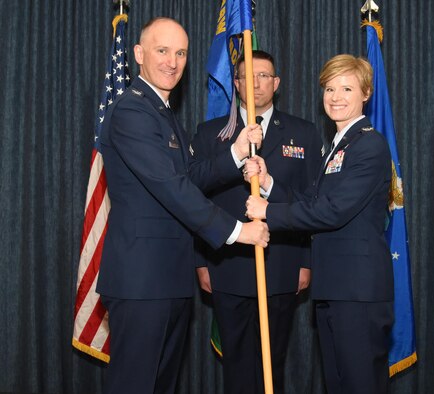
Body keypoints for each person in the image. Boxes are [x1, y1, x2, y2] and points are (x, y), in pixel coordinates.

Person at [96, 17, 269, 394]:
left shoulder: (163, 112)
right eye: (162, 51)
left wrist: (236, 153)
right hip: (141, 281)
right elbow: (171, 187)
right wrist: (238, 231)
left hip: (168, 279)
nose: (172, 62)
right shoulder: (131, 111)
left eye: (180, 53)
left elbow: (189, 174)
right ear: (139, 54)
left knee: (161, 385)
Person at [245, 54, 394, 394]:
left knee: (360, 385)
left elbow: (332, 211)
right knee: (339, 384)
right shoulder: (339, 146)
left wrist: (268, 211)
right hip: (335, 289)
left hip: (358, 293)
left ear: (366, 93)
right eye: (329, 88)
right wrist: (269, 184)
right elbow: (311, 200)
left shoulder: (369, 144)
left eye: (346, 88)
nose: (336, 97)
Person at [191, 50, 323, 394]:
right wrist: (201, 262)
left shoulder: (304, 133)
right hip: (227, 264)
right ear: (235, 84)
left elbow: (312, 203)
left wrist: (306, 262)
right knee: (235, 364)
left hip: (281, 264)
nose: (256, 83)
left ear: (276, 83)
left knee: (272, 363)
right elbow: (194, 199)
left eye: (264, 75)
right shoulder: (210, 135)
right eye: (247, 76)